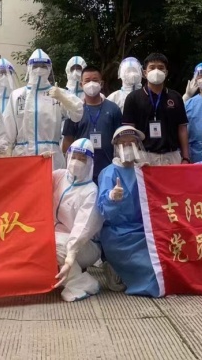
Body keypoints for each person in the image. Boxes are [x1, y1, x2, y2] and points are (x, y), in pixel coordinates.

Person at [97, 126, 161, 296]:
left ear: (138, 145)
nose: (127, 146)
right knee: (153, 272)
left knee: (165, 263)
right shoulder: (109, 173)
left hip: (144, 232)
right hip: (119, 235)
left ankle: (120, 271)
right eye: (123, 143)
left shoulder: (142, 171)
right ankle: (114, 267)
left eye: (131, 142)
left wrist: (152, 177)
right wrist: (111, 198)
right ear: (116, 147)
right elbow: (103, 211)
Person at [5, 49, 84, 170]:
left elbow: (78, 114)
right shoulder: (17, 95)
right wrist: (6, 155)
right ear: (29, 68)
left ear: (49, 69)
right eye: (35, 66)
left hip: (51, 157)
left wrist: (63, 99)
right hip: (23, 156)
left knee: (52, 182)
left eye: (43, 66)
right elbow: (7, 131)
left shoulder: (57, 93)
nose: (39, 69)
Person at [53, 138, 104, 302]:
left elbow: (82, 228)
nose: (76, 162)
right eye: (74, 157)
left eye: (82, 159)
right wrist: (41, 161)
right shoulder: (59, 176)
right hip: (57, 236)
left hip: (85, 246)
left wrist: (70, 256)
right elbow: (36, 180)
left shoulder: (91, 191)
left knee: (55, 245)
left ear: (90, 162)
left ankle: (81, 282)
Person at [122, 53, 190, 165]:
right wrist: (131, 156)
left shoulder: (175, 97)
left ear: (166, 72)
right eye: (152, 67)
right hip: (143, 156)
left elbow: (182, 128)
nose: (156, 71)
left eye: (161, 67)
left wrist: (186, 157)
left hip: (171, 156)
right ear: (145, 72)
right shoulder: (133, 98)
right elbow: (129, 130)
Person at [61, 66, 123, 182]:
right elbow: (68, 140)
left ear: (101, 83)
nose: (91, 84)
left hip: (108, 169)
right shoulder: (75, 110)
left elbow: (120, 141)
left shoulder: (113, 109)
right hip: (81, 171)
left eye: (95, 80)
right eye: (87, 81)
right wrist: (69, 166)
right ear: (81, 84)